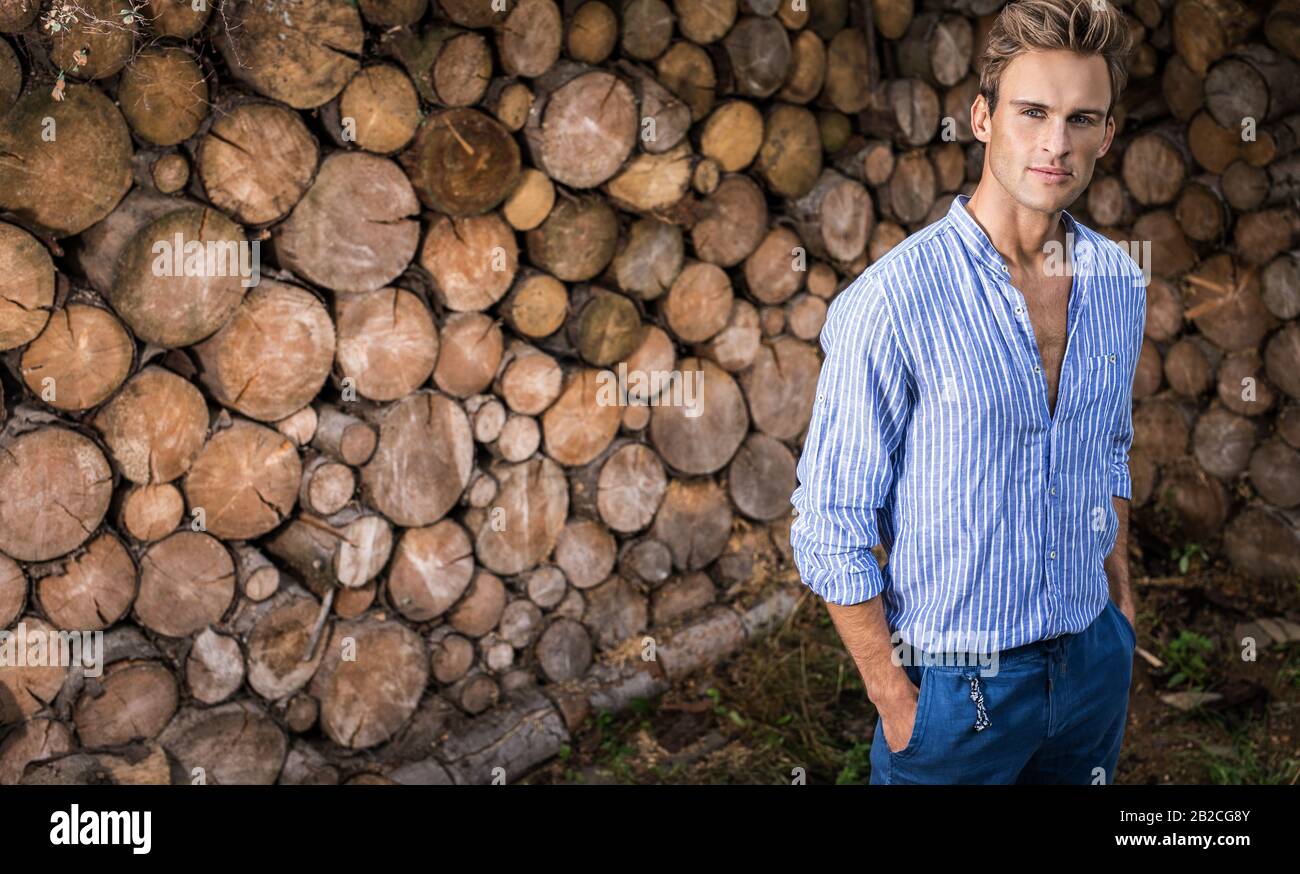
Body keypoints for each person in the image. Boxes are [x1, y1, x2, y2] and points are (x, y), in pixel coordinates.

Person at [789, 0, 1146, 785]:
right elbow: (831, 521)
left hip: (1091, 663)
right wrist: (894, 697)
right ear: (983, 117)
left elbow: (1108, 452)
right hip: (957, 687)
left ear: (1108, 135)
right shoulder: (893, 301)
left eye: (1082, 118)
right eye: (1033, 112)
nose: (1057, 143)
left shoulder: (1120, 284)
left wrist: (1119, 608)